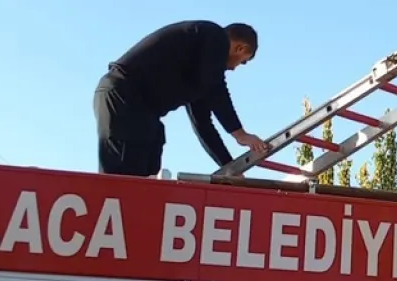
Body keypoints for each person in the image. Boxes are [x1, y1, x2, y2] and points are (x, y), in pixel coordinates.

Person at [94, 20, 270, 176]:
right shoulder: (214, 36)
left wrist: (229, 167)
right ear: (240, 48)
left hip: (142, 109)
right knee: (123, 174)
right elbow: (218, 89)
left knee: (150, 157)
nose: (234, 69)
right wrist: (239, 134)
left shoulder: (198, 73)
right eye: (242, 61)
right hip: (124, 95)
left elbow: (203, 124)